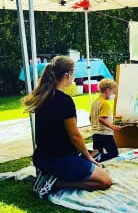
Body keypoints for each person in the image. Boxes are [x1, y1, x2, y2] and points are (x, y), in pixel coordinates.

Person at [24, 56, 112, 199]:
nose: (74, 77)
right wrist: (87, 157)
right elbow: (75, 136)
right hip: (59, 158)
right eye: (73, 73)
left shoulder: (42, 96)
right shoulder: (64, 100)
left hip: (42, 157)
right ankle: (55, 183)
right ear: (68, 74)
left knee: (96, 155)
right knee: (105, 181)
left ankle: (53, 176)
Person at [90, 78, 119, 162]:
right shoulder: (105, 104)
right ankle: (92, 159)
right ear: (107, 90)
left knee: (98, 152)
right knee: (114, 153)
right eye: (113, 91)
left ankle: (95, 160)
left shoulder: (95, 102)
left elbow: (90, 117)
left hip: (95, 133)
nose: (113, 94)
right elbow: (101, 119)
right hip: (105, 134)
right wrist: (112, 127)